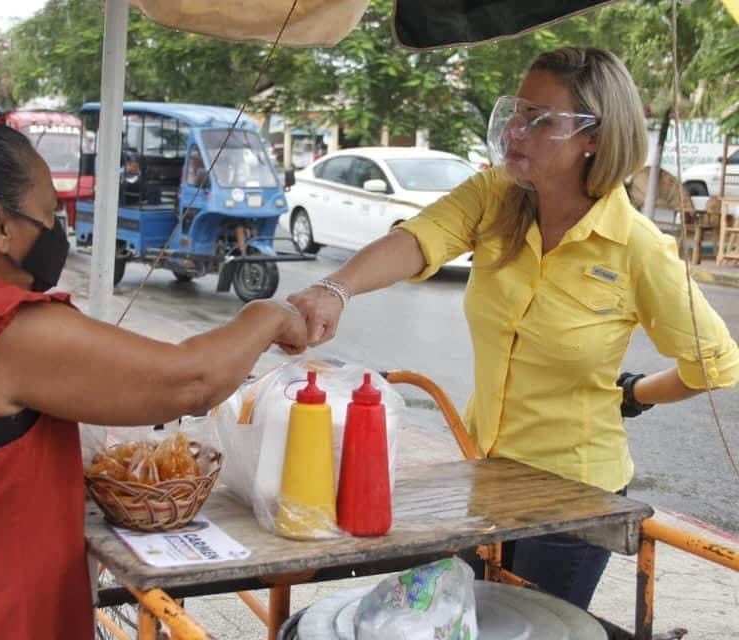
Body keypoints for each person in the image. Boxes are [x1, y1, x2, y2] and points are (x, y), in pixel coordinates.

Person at [0, 118, 307, 640]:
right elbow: (193, 380)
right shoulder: (2, 327)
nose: (58, 232)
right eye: (49, 214)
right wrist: (268, 316)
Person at [287, 47, 739, 609]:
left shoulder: (637, 247)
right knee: (462, 615)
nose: (515, 132)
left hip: (574, 497)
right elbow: (418, 240)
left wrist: (634, 393)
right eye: (516, 112)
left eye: (540, 120)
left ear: (594, 138)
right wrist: (335, 289)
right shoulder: (493, 197)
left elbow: (715, 362)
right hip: (482, 472)